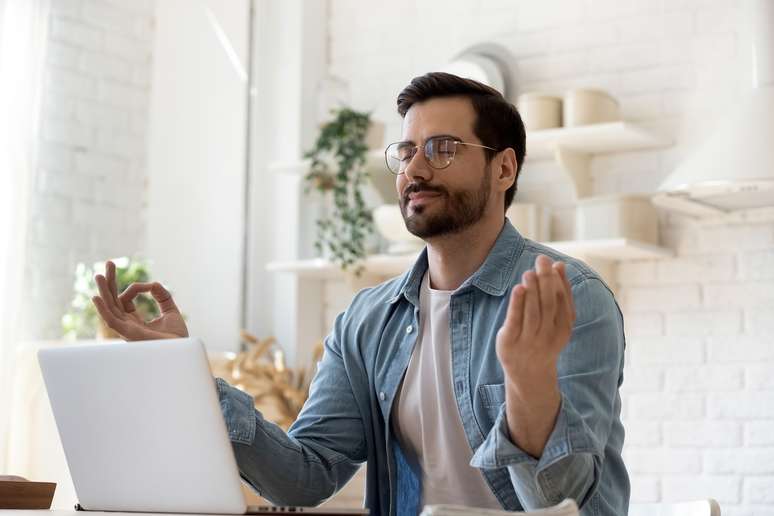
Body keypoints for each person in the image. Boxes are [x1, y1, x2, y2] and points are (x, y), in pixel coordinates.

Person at [92, 72, 629, 516]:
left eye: (443, 149)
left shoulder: (571, 298)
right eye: (407, 150)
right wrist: (182, 369)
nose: (415, 169)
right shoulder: (368, 321)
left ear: (503, 167)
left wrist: (528, 384)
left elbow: (561, 504)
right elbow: (305, 477)